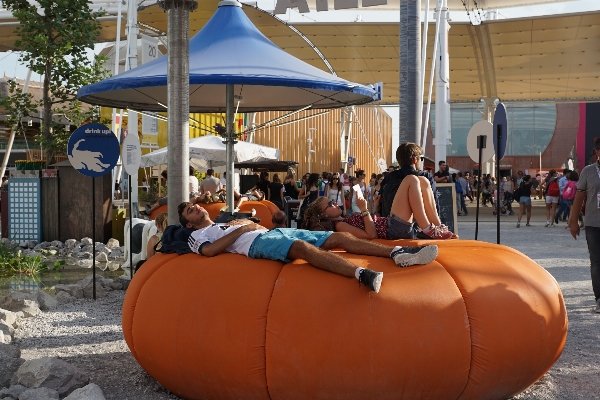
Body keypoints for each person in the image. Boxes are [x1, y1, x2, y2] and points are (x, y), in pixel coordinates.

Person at [179, 202, 439, 293]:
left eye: (195, 205)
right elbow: (209, 251)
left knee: (335, 238)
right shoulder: (197, 235)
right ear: (188, 223)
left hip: (272, 232)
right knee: (301, 247)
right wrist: (243, 228)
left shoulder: (224, 220)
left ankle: (397, 253)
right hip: (256, 244)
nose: (197, 208)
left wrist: (241, 222)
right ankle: (361, 275)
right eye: (190, 211)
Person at [303, 153, 456, 240]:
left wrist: (374, 209)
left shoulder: (343, 221)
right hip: (393, 229)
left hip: (392, 226)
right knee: (411, 179)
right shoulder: (339, 226)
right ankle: (428, 229)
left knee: (422, 180)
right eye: (330, 204)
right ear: (323, 215)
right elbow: (371, 235)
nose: (334, 203)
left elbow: (372, 224)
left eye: (331, 201)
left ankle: (438, 226)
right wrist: (364, 210)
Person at [569, 137, 600, 312]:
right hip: (593, 223)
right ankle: (599, 298)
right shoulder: (588, 171)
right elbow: (579, 197)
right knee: (596, 262)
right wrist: (574, 222)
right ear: (597, 152)